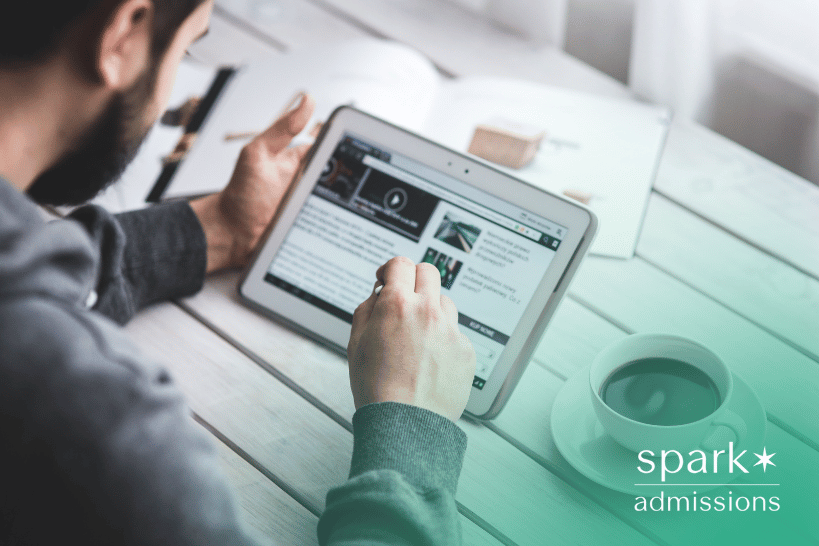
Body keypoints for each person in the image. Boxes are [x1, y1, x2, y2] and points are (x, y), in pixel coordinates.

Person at [0, 0, 476, 544]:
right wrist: (410, 429)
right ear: (123, 34)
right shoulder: (99, 426)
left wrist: (218, 228)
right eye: (189, 43)